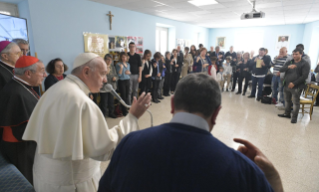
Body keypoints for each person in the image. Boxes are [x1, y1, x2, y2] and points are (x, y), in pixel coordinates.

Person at [99, 74, 283, 192]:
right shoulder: (241, 168)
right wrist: (273, 177)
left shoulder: (129, 143)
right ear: (217, 112)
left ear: (172, 104)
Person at [22, 53, 151, 191]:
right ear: (86, 72)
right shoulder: (81, 102)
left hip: (44, 177)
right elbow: (104, 149)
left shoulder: (55, 89)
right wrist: (132, 117)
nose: (105, 80)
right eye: (102, 74)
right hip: (71, 184)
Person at [0, 56, 47, 184]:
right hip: (21, 147)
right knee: (27, 179)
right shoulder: (16, 93)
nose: (45, 74)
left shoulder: (20, 86)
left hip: (25, 143)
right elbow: (22, 128)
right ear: (28, 73)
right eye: (42, 71)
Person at [278, 48, 310, 123]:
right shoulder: (290, 61)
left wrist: (294, 83)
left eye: (296, 54)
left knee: (295, 102)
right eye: (293, 54)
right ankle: (287, 113)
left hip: (297, 86)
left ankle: (294, 117)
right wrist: (288, 67)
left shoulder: (305, 63)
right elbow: (281, 69)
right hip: (287, 85)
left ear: (301, 54)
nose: (294, 56)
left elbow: (304, 76)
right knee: (287, 100)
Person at [97, 54, 118, 118]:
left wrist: (115, 78)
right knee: (104, 102)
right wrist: (105, 73)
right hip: (103, 88)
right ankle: (103, 115)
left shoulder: (112, 67)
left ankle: (111, 113)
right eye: (108, 59)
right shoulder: (101, 67)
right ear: (104, 60)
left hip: (111, 87)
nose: (109, 61)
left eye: (111, 60)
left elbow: (117, 76)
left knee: (111, 101)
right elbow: (99, 77)